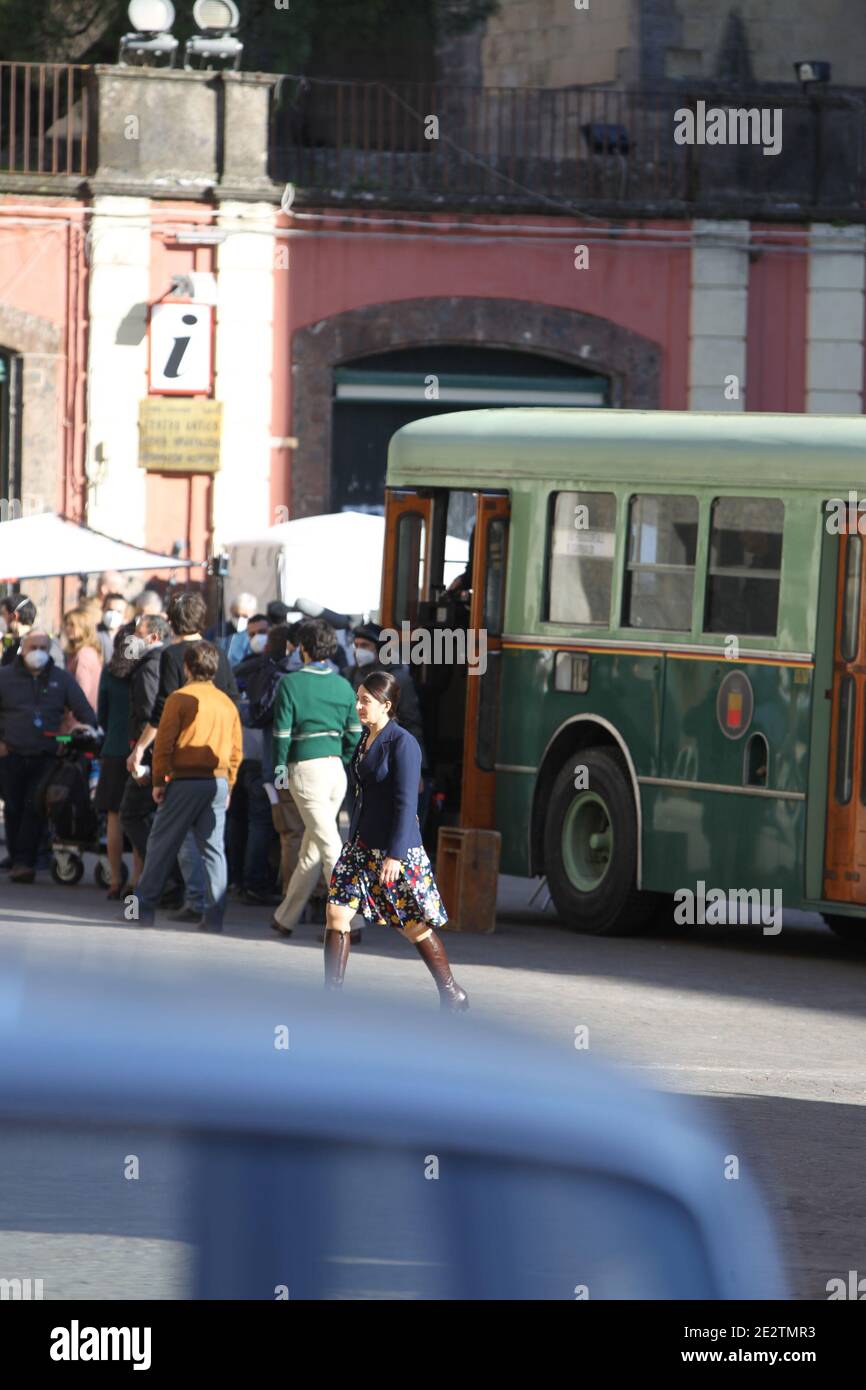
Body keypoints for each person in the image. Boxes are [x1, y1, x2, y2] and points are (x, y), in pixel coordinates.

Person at [325, 670, 468, 1011]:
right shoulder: (365, 738)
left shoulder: (403, 742)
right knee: (336, 915)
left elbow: (407, 803)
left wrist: (395, 855)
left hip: (393, 849)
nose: (359, 706)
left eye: (366, 701)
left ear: (386, 705)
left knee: (412, 925)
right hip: (359, 846)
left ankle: (451, 993)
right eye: (357, 699)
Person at [128, 591, 238, 922]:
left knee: (161, 846)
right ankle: (213, 915)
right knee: (213, 850)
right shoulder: (227, 701)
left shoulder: (178, 695)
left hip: (184, 778)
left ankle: (140, 910)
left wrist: (159, 778)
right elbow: (236, 747)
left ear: (188, 667)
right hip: (217, 780)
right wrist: (230, 782)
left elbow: (164, 740)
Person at [270, 618, 362, 939]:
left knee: (328, 846)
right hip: (336, 769)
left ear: (303, 649)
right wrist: (342, 758)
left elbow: (281, 733)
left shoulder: (291, 683)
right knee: (314, 847)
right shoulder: (343, 685)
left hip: (305, 769)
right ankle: (286, 916)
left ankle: (353, 919)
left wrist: (279, 768)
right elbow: (354, 732)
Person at [0, 629, 97, 882]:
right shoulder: (5, 677)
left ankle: (25, 861)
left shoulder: (61, 679)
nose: (38, 653)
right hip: (11, 754)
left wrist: (72, 736)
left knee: (34, 807)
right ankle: (19, 857)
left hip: (46, 756)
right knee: (13, 809)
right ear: (23, 648)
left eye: (44, 648)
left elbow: (86, 713)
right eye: (33, 647)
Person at [346, 621, 431, 830]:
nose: (359, 651)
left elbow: (412, 723)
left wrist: (418, 769)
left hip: (388, 758)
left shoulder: (398, 677)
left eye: (365, 646)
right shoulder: (351, 674)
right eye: (356, 645)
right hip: (359, 758)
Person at [95, 625, 134, 899]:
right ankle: (139, 880)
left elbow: (101, 715)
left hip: (113, 749)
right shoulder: (148, 670)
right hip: (141, 752)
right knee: (142, 818)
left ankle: (115, 880)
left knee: (114, 816)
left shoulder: (110, 672)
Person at [1, 594, 64, 669]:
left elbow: (57, 673)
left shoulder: (45, 642)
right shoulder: (13, 645)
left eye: (2, 614)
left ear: (14, 616)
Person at [62, 606, 103, 714]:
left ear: (84, 628)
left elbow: (81, 692)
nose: (67, 628)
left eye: (72, 625)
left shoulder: (84, 655)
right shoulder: (82, 652)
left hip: (78, 720)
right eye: (66, 624)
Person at [96, 592, 129, 664]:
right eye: (110, 610)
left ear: (125, 614)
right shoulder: (93, 634)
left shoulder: (129, 636)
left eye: (119, 611)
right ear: (103, 609)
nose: (113, 614)